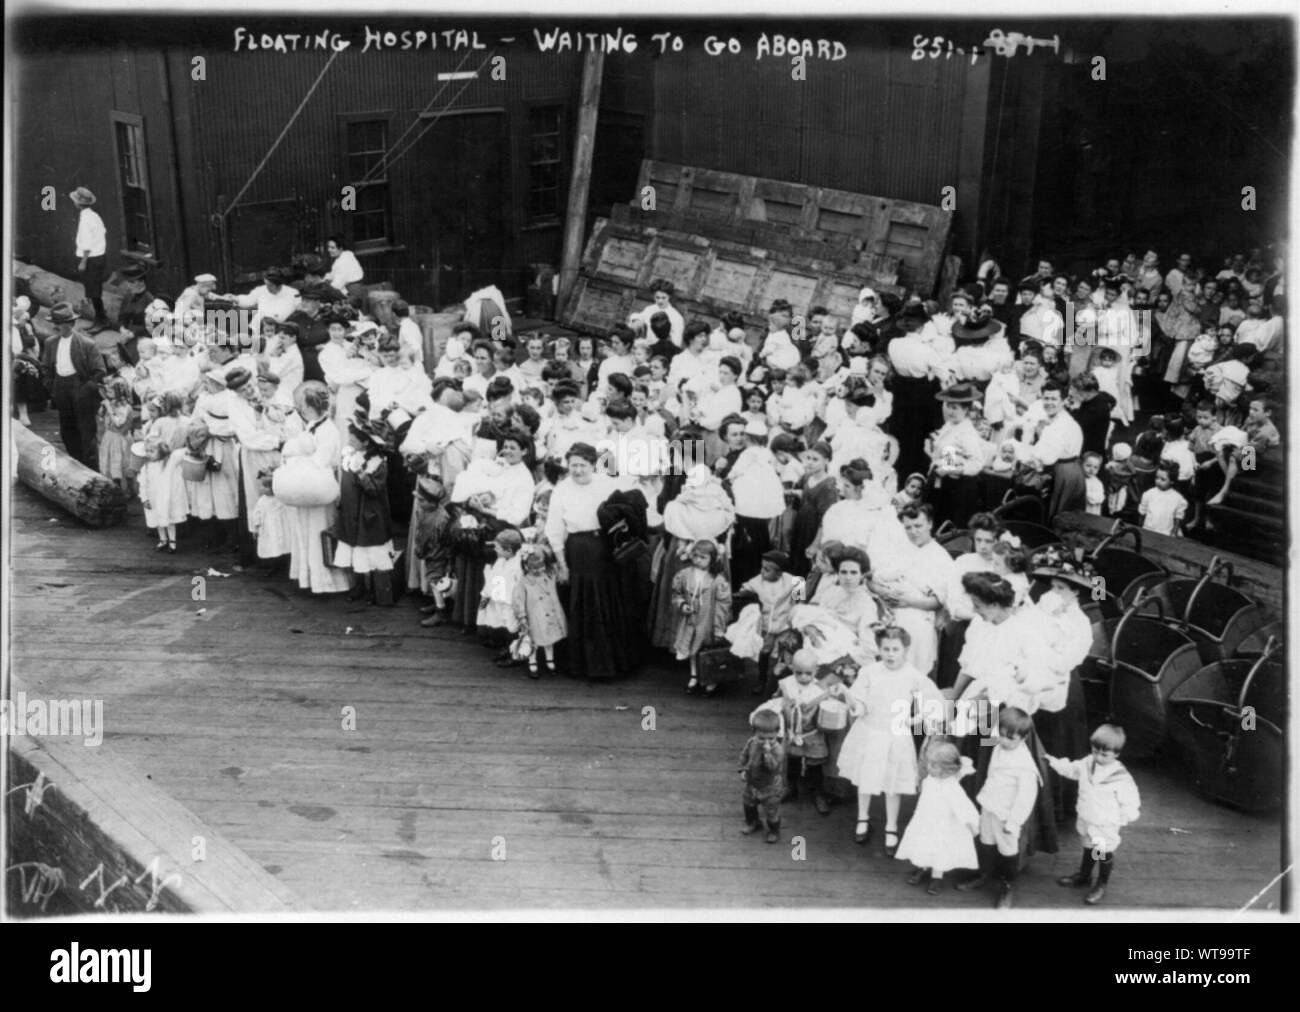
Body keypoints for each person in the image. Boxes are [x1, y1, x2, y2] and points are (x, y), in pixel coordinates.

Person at [835, 625, 943, 854]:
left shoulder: (913, 676)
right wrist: (850, 698)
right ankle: (863, 818)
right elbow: (860, 702)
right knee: (865, 775)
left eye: (895, 649)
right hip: (869, 731)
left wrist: (913, 721)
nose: (890, 654)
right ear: (879, 649)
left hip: (896, 736)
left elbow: (934, 703)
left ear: (905, 649)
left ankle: (891, 826)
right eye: (886, 649)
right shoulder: (869, 672)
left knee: (893, 783)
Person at [545, 443, 634, 681]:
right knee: (581, 603)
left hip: (604, 549)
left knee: (607, 601)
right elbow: (554, 529)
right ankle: (583, 664)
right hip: (578, 550)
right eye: (573, 465)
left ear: (593, 465)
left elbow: (626, 511)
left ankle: (610, 664)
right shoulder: (562, 489)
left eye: (582, 465)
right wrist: (562, 565)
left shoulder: (606, 485)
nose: (577, 470)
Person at [1047, 723, 1142, 905]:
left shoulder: (1121, 777)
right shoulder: (1087, 763)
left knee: (1101, 852)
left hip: (1103, 823)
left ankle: (1101, 883)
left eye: (1104, 754)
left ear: (1117, 754)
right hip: (1086, 817)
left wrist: (1122, 818)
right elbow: (1071, 769)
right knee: (1089, 847)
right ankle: (1084, 875)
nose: (1098, 756)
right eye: (1095, 750)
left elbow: (1130, 802)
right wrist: (1052, 762)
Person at [962, 706, 1041, 909]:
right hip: (990, 805)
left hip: (1007, 816)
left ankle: (1007, 886)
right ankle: (985, 874)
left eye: (1010, 738)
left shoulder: (1025, 766)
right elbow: (991, 759)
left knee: (1007, 850)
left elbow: (1026, 798)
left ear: (1023, 738)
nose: (1003, 740)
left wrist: (1014, 822)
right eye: (1001, 735)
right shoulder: (1000, 746)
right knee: (986, 841)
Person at [282, 382, 352, 594]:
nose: (301, 409)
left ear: (312, 407)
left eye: (304, 405)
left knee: (319, 531)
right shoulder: (313, 426)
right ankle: (310, 578)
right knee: (307, 530)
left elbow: (320, 461)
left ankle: (327, 581)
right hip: (308, 484)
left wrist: (297, 456)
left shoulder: (327, 431)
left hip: (320, 485)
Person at [869, 505, 953, 677]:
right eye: (908, 527)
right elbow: (870, 580)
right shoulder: (897, 549)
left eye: (918, 526)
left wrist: (907, 602)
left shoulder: (941, 557)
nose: (913, 532)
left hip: (918, 615)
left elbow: (939, 601)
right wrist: (883, 592)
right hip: (887, 611)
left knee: (913, 664)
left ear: (930, 524)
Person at [895, 740, 980, 895]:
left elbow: (962, 806)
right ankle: (923, 867)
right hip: (926, 820)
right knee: (924, 844)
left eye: (933, 766)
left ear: (947, 770)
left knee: (940, 849)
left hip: (943, 824)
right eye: (929, 764)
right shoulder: (930, 780)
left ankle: (937, 876)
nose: (929, 768)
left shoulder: (952, 787)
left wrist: (970, 824)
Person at [334, 412, 397, 605]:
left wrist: (360, 472)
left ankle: (371, 588)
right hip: (350, 511)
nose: (350, 439)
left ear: (367, 443)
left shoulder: (377, 463)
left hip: (369, 514)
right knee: (353, 548)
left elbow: (374, 489)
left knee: (367, 550)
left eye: (355, 437)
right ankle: (359, 585)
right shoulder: (348, 455)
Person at [40, 301, 106, 467]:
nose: (56, 327)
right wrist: (52, 386)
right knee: (67, 430)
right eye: (55, 324)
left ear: (71, 323)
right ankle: (75, 464)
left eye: (60, 324)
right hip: (61, 387)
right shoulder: (50, 342)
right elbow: (45, 367)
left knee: (86, 430)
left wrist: (86, 390)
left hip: (80, 386)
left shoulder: (87, 344)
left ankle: (91, 467)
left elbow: (99, 371)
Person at [776, 649, 835, 815]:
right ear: (792, 669)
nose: (803, 678)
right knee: (792, 761)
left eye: (808, 674)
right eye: (798, 673)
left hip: (812, 732)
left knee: (815, 764)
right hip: (793, 731)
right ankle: (791, 788)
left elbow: (828, 706)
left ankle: (818, 792)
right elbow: (780, 700)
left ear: (816, 671)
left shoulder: (819, 689)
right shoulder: (787, 684)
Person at [671, 539, 733, 696]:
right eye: (695, 556)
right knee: (692, 648)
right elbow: (676, 593)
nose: (697, 560)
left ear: (713, 558)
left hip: (708, 621)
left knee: (707, 648)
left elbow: (723, 603)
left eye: (703, 557)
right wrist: (682, 604)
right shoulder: (684, 575)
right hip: (691, 619)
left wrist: (719, 626)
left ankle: (711, 678)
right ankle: (694, 675)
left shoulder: (717, 580)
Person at [735, 550, 797, 697]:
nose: (762, 571)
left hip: (785, 626)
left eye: (767, 569)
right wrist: (745, 594)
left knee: (784, 655)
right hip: (766, 627)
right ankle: (761, 679)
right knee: (764, 652)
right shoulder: (758, 582)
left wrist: (795, 619)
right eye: (762, 567)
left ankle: (778, 683)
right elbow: (745, 588)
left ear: (779, 573)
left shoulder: (794, 581)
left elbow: (800, 602)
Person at [137, 392, 189, 553]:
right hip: (177, 461)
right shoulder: (188, 421)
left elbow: (150, 440)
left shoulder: (160, 422)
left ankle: (168, 537)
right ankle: (169, 536)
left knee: (164, 494)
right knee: (173, 494)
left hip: (161, 459)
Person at [511, 542, 567, 679]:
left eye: (541, 566)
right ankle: (532, 660)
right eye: (533, 568)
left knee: (550, 637)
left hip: (552, 613)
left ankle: (550, 658)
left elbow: (557, 562)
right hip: (535, 616)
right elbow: (518, 600)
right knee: (533, 640)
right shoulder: (524, 581)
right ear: (526, 566)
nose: (538, 570)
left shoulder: (550, 575)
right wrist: (522, 616)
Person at [739, 707, 787, 844]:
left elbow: (773, 767)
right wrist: (742, 769)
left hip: (770, 787)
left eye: (771, 738)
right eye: (761, 738)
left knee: (772, 812)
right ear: (754, 733)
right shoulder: (751, 742)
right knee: (748, 805)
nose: (766, 742)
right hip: (752, 783)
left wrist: (767, 753)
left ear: (777, 733)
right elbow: (744, 755)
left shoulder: (778, 750)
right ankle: (753, 822)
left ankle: (774, 830)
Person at [478, 527, 525, 659]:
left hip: (510, 602)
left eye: (498, 548)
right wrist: (486, 595)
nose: (495, 550)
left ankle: (513, 654)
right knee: (500, 623)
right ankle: (504, 647)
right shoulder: (500, 561)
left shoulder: (517, 566)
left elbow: (521, 585)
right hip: (497, 600)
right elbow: (492, 579)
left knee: (511, 626)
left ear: (509, 550)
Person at [68, 186, 110, 330]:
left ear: (78, 204)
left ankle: (102, 320)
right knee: (94, 290)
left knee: (94, 292)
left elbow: (86, 244)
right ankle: (99, 319)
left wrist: (83, 262)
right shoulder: (94, 216)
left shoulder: (86, 219)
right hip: (99, 256)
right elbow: (103, 232)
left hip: (92, 259)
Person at [96, 376, 134, 490]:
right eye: (107, 391)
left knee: (123, 463)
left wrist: (109, 408)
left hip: (120, 439)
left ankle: (130, 488)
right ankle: (116, 488)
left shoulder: (124, 407)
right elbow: (102, 418)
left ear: (119, 392)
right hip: (110, 437)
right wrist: (103, 409)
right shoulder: (111, 402)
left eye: (110, 391)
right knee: (112, 463)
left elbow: (119, 422)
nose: (108, 393)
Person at [1139, 463, 1187, 537]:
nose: (1158, 481)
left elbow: (1178, 518)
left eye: (1163, 479)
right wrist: (1141, 529)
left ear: (1172, 481)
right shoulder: (1148, 494)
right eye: (1157, 478)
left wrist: (1174, 532)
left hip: (1166, 533)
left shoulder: (1178, 499)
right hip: (1148, 529)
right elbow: (1142, 513)